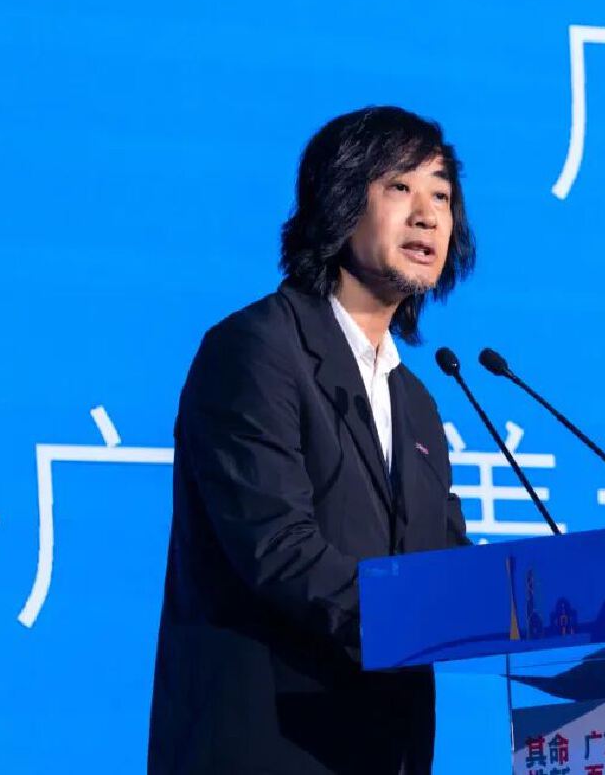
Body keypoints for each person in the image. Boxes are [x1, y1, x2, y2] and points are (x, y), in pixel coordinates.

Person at [148, 106, 476, 774]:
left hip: (384, 751)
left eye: (441, 196)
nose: (428, 216)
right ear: (339, 201)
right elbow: (278, 549)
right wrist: (419, 614)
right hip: (267, 747)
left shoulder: (415, 401)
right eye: (400, 187)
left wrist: (545, 617)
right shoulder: (256, 350)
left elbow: (442, 563)